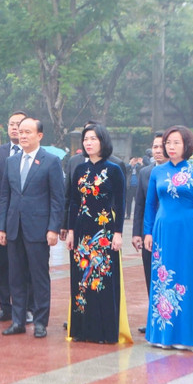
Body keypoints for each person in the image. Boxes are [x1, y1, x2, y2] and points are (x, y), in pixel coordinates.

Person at [0, 117, 64, 338]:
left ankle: (40, 321)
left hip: (38, 229)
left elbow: (57, 198)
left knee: (39, 277)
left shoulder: (51, 161)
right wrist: (1, 227)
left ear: (39, 135)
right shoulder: (11, 162)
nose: (22, 135)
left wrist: (53, 228)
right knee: (15, 277)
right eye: (20, 131)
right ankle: (18, 321)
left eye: (27, 132)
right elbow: (5, 197)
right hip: (14, 228)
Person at [143, 125, 193, 350]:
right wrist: (147, 232)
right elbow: (150, 205)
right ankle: (162, 335)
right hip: (162, 231)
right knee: (161, 280)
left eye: (176, 143)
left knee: (186, 278)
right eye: (168, 143)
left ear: (186, 145)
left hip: (187, 230)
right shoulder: (157, 172)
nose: (171, 147)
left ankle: (184, 336)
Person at [65, 124, 130, 343]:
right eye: (86, 139)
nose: (88, 143)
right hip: (82, 231)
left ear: (103, 141)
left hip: (104, 231)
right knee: (81, 280)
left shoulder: (114, 170)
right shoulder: (79, 170)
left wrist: (118, 233)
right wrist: (71, 231)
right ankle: (82, 330)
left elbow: (120, 204)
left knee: (102, 278)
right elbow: (74, 202)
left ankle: (104, 332)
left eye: (93, 138)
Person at [0, 110, 28, 324]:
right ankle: (5, 307)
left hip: (29, 221)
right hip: (4, 220)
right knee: (3, 266)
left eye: (19, 124)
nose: (15, 128)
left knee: (27, 266)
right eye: (12, 124)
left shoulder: (37, 155)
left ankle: (28, 307)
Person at [131, 132, 165, 333]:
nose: (158, 150)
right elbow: (140, 205)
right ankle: (154, 316)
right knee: (150, 275)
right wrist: (137, 233)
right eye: (155, 147)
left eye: (161, 146)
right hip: (149, 233)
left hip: (170, 230)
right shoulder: (145, 172)